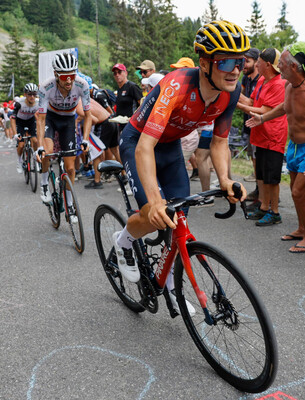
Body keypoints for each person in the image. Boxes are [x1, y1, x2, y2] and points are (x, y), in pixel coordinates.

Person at [113, 20, 249, 314]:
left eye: (239, 61)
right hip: (139, 141)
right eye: (225, 61)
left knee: (177, 222)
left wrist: (225, 179)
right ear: (204, 62)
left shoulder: (230, 92)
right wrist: (155, 200)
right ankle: (123, 241)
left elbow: (219, 143)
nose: (235, 69)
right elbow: (145, 146)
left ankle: (171, 286)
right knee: (153, 214)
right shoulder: (176, 86)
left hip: (171, 147)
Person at [246, 42, 305, 253]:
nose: (279, 67)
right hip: (294, 147)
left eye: (282, 64)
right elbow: (286, 107)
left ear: (294, 67)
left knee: (297, 193)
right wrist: (263, 118)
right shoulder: (289, 86)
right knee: (297, 192)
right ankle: (302, 229)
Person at [36, 53, 92, 219]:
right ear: (56, 74)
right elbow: (41, 119)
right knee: (48, 150)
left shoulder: (82, 85)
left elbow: (88, 116)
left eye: (72, 75)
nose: (69, 80)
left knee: (70, 168)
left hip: (68, 120)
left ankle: (69, 204)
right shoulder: (46, 87)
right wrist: (39, 146)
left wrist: (86, 139)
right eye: (65, 76)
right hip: (51, 119)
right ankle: (45, 183)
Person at [237, 48, 287, 225]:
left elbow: (266, 110)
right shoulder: (262, 80)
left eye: (259, 61)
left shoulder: (279, 84)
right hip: (259, 134)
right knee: (262, 174)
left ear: (267, 64)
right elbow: (252, 102)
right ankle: (264, 207)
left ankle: (275, 212)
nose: (256, 64)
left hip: (273, 136)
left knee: (272, 178)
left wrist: (239, 106)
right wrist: (232, 94)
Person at [240, 48, 261, 191]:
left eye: (247, 61)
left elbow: (253, 104)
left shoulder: (261, 80)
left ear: (256, 62)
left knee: (260, 160)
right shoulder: (245, 78)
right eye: (242, 61)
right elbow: (243, 96)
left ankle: (264, 194)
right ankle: (258, 190)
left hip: (259, 124)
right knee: (254, 158)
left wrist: (232, 93)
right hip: (248, 123)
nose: (244, 65)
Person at [11, 83, 39, 173]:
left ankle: (36, 159)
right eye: (29, 94)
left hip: (31, 121)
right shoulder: (19, 103)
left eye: (34, 94)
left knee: (35, 141)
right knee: (21, 145)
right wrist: (15, 134)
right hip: (20, 122)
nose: (32, 96)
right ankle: (19, 161)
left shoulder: (39, 102)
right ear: (25, 94)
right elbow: (12, 118)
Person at [112, 63, 143, 133]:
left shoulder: (132, 87)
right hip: (121, 125)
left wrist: (135, 119)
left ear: (126, 73)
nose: (117, 75)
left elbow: (143, 104)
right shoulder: (119, 89)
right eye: (115, 73)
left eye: (119, 72)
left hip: (132, 125)